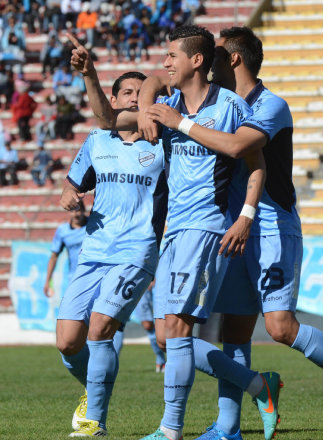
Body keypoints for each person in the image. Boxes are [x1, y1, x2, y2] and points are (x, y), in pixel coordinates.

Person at [143, 26, 323, 440]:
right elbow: (151, 82)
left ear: (230, 60)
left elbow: (238, 147)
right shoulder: (214, 102)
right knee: (232, 332)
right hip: (232, 228)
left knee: (280, 327)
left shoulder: (269, 105)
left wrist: (178, 122)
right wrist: (150, 103)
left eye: (214, 56)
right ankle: (229, 426)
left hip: (271, 226)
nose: (205, 64)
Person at [69, 26, 276, 440]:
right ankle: (257, 384)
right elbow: (110, 118)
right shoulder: (166, 105)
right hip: (173, 232)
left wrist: (246, 216)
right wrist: (103, 82)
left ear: (196, 61)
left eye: (171, 56)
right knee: (167, 336)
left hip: (206, 228)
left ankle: (170, 429)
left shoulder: (230, 106)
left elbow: (254, 163)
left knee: (178, 333)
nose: (164, 63)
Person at [56, 68, 168, 438]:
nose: (135, 97)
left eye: (141, 92)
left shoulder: (163, 142)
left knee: (101, 328)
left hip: (137, 251)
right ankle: (94, 388)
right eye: (127, 93)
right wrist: (69, 196)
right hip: (94, 251)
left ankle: (95, 422)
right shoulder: (96, 140)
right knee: (67, 341)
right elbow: (71, 187)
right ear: (114, 101)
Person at [43, 199, 87, 297]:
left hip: (94, 277)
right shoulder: (63, 231)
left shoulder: (92, 225)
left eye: (78, 210)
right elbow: (54, 256)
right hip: (74, 278)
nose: (75, 214)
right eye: (72, 211)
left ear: (84, 210)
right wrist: (47, 281)